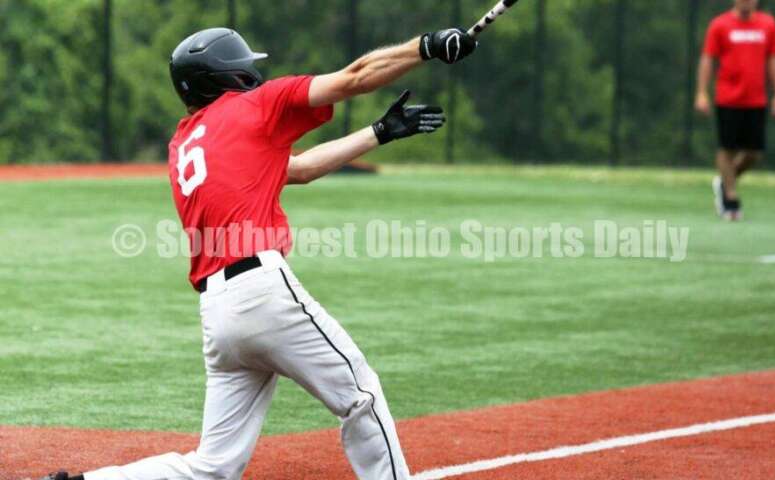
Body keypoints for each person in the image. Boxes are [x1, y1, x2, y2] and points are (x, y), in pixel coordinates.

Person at [42, 26, 475, 480]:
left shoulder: (185, 144)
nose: (252, 70)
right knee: (361, 394)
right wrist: (425, 47)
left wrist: (379, 132)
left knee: (212, 468)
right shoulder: (257, 104)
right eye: (244, 63)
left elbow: (299, 169)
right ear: (228, 74)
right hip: (263, 293)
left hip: (220, 317)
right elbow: (356, 77)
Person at [695, 0, 775, 221]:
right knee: (727, 148)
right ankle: (731, 198)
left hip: (756, 99)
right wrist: (702, 92)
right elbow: (708, 59)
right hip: (727, 98)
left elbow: (773, 60)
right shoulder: (720, 25)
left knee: (754, 152)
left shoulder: (768, 25)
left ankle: (726, 180)